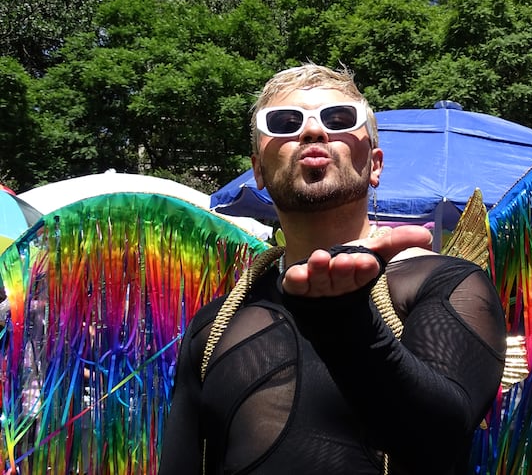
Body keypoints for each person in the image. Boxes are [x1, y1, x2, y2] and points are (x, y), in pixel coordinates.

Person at [158, 63, 507, 475]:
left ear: (375, 165)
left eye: (338, 119)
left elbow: (440, 440)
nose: (311, 132)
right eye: (284, 123)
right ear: (259, 171)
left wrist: (349, 322)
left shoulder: (444, 284)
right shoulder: (216, 323)